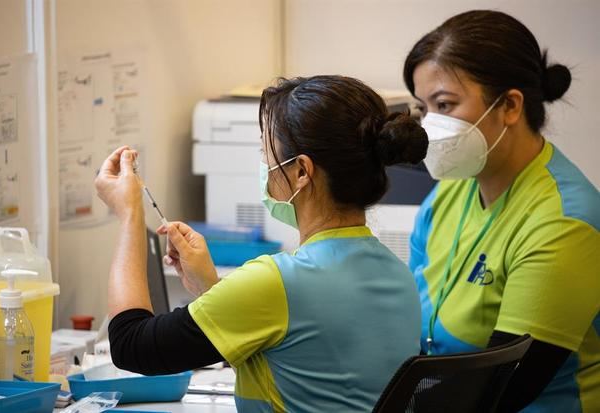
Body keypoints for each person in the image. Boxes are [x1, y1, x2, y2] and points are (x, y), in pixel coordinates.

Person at [94, 75, 429, 412]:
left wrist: (129, 215)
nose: (265, 167)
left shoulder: (278, 282)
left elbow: (130, 346)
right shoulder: (399, 277)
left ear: (301, 171)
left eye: (265, 153)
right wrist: (211, 288)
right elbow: (296, 349)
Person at [404, 9, 600, 413]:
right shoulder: (448, 194)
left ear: (510, 105)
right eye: (424, 109)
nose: (430, 126)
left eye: (445, 104)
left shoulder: (563, 220)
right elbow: (406, 321)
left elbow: (504, 386)